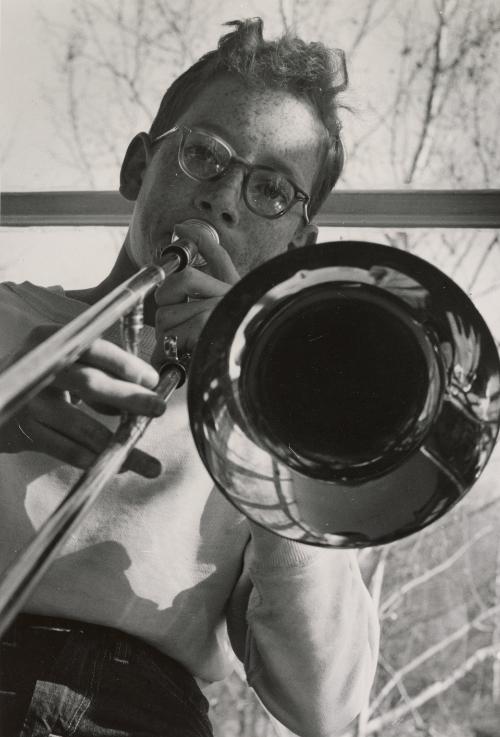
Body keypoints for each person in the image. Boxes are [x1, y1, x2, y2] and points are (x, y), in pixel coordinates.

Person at [0, 18, 379, 737]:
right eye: (205, 155)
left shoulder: (284, 428)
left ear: (295, 245)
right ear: (139, 167)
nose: (225, 199)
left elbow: (327, 707)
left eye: (271, 189)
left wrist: (253, 422)